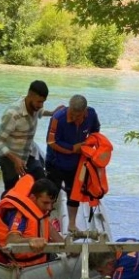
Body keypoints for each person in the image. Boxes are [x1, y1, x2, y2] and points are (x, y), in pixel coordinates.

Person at [0, 80, 61, 194]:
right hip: (10, 158)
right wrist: (15, 159)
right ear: (30, 95)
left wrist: (52, 113)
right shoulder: (13, 114)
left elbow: (40, 111)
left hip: (28, 154)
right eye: (39, 102)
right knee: (12, 192)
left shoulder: (34, 106)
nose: (41, 105)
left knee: (41, 182)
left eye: (43, 102)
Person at [45, 94, 101, 232]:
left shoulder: (91, 114)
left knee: (74, 193)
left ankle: (71, 224)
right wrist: (73, 148)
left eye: (78, 115)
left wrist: (88, 145)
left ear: (85, 112)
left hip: (77, 163)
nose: (74, 118)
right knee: (51, 193)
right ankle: (46, 222)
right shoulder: (58, 117)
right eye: (72, 114)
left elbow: (95, 132)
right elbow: (51, 141)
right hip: (55, 162)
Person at [0, 175, 65, 266]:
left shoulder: (39, 211)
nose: (49, 208)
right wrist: (31, 240)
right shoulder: (20, 214)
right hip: (20, 263)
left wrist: (67, 247)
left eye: (52, 203)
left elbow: (50, 228)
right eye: (46, 203)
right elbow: (11, 240)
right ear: (33, 197)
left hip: (40, 259)